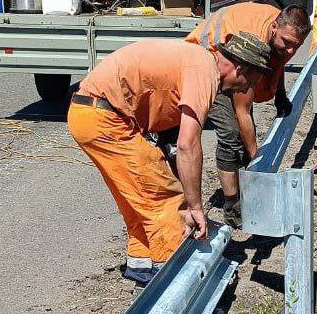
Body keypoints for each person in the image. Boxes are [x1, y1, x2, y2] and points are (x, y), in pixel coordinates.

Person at [67, 32, 272, 285]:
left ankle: (141, 266)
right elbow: (188, 144)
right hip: (106, 119)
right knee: (164, 199)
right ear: (239, 67)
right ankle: (171, 282)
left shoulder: (197, 60)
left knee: (140, 201)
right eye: (247, 81)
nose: (243, 89)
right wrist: (195, 206)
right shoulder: (205, 71)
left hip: (91, 114)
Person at [185, 3, 311, 227]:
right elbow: (242, 110)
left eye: (297, 46)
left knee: (243, 134)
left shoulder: (284, 34)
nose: (292, 50)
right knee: (231, 133)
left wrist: (280, 93)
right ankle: (232, 205)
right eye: (288, 43)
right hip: (205, 61)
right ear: (274, 28)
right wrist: (258, 162)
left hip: (233, 63)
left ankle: (243, 183)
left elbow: (277, 62)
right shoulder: (256, 42)